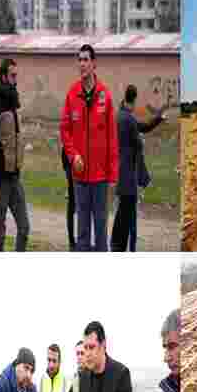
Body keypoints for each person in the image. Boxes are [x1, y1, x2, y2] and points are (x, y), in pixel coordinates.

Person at [60, 44, 119, 252]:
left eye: (86, 60)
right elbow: (65, 129)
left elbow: (113, 139)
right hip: (80, 178)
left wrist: (113, 177)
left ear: (94, 64)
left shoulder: (105, 95)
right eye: (80, 60)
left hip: (101, 179)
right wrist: (73, 155)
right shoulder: (72, 94)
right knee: (82, 234)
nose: (82, 64)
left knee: (101, 233)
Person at [111, 84, 165, 252]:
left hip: (122, 172)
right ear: (134, 100)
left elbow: (143, 127)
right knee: (127, 215)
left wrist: (158, 119)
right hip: (128, 175)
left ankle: (116, 244)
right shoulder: (127, 118)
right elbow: (138, 141)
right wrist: (140, 141)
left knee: (122, 211)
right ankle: (122, 247)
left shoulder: (122, 115)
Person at [0, 58, 29, 252]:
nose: (16, 79)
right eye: (13, 75)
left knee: (24, 228)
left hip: (15, 179)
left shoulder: (14, 104)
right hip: (0, 182)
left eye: (17, 75)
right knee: (0, 236)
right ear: (3, 76)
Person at [61, 146, 76, 251]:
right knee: (72, 206)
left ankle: (77, 241)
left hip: (73, 165)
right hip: (70, 165)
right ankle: (72, 242)